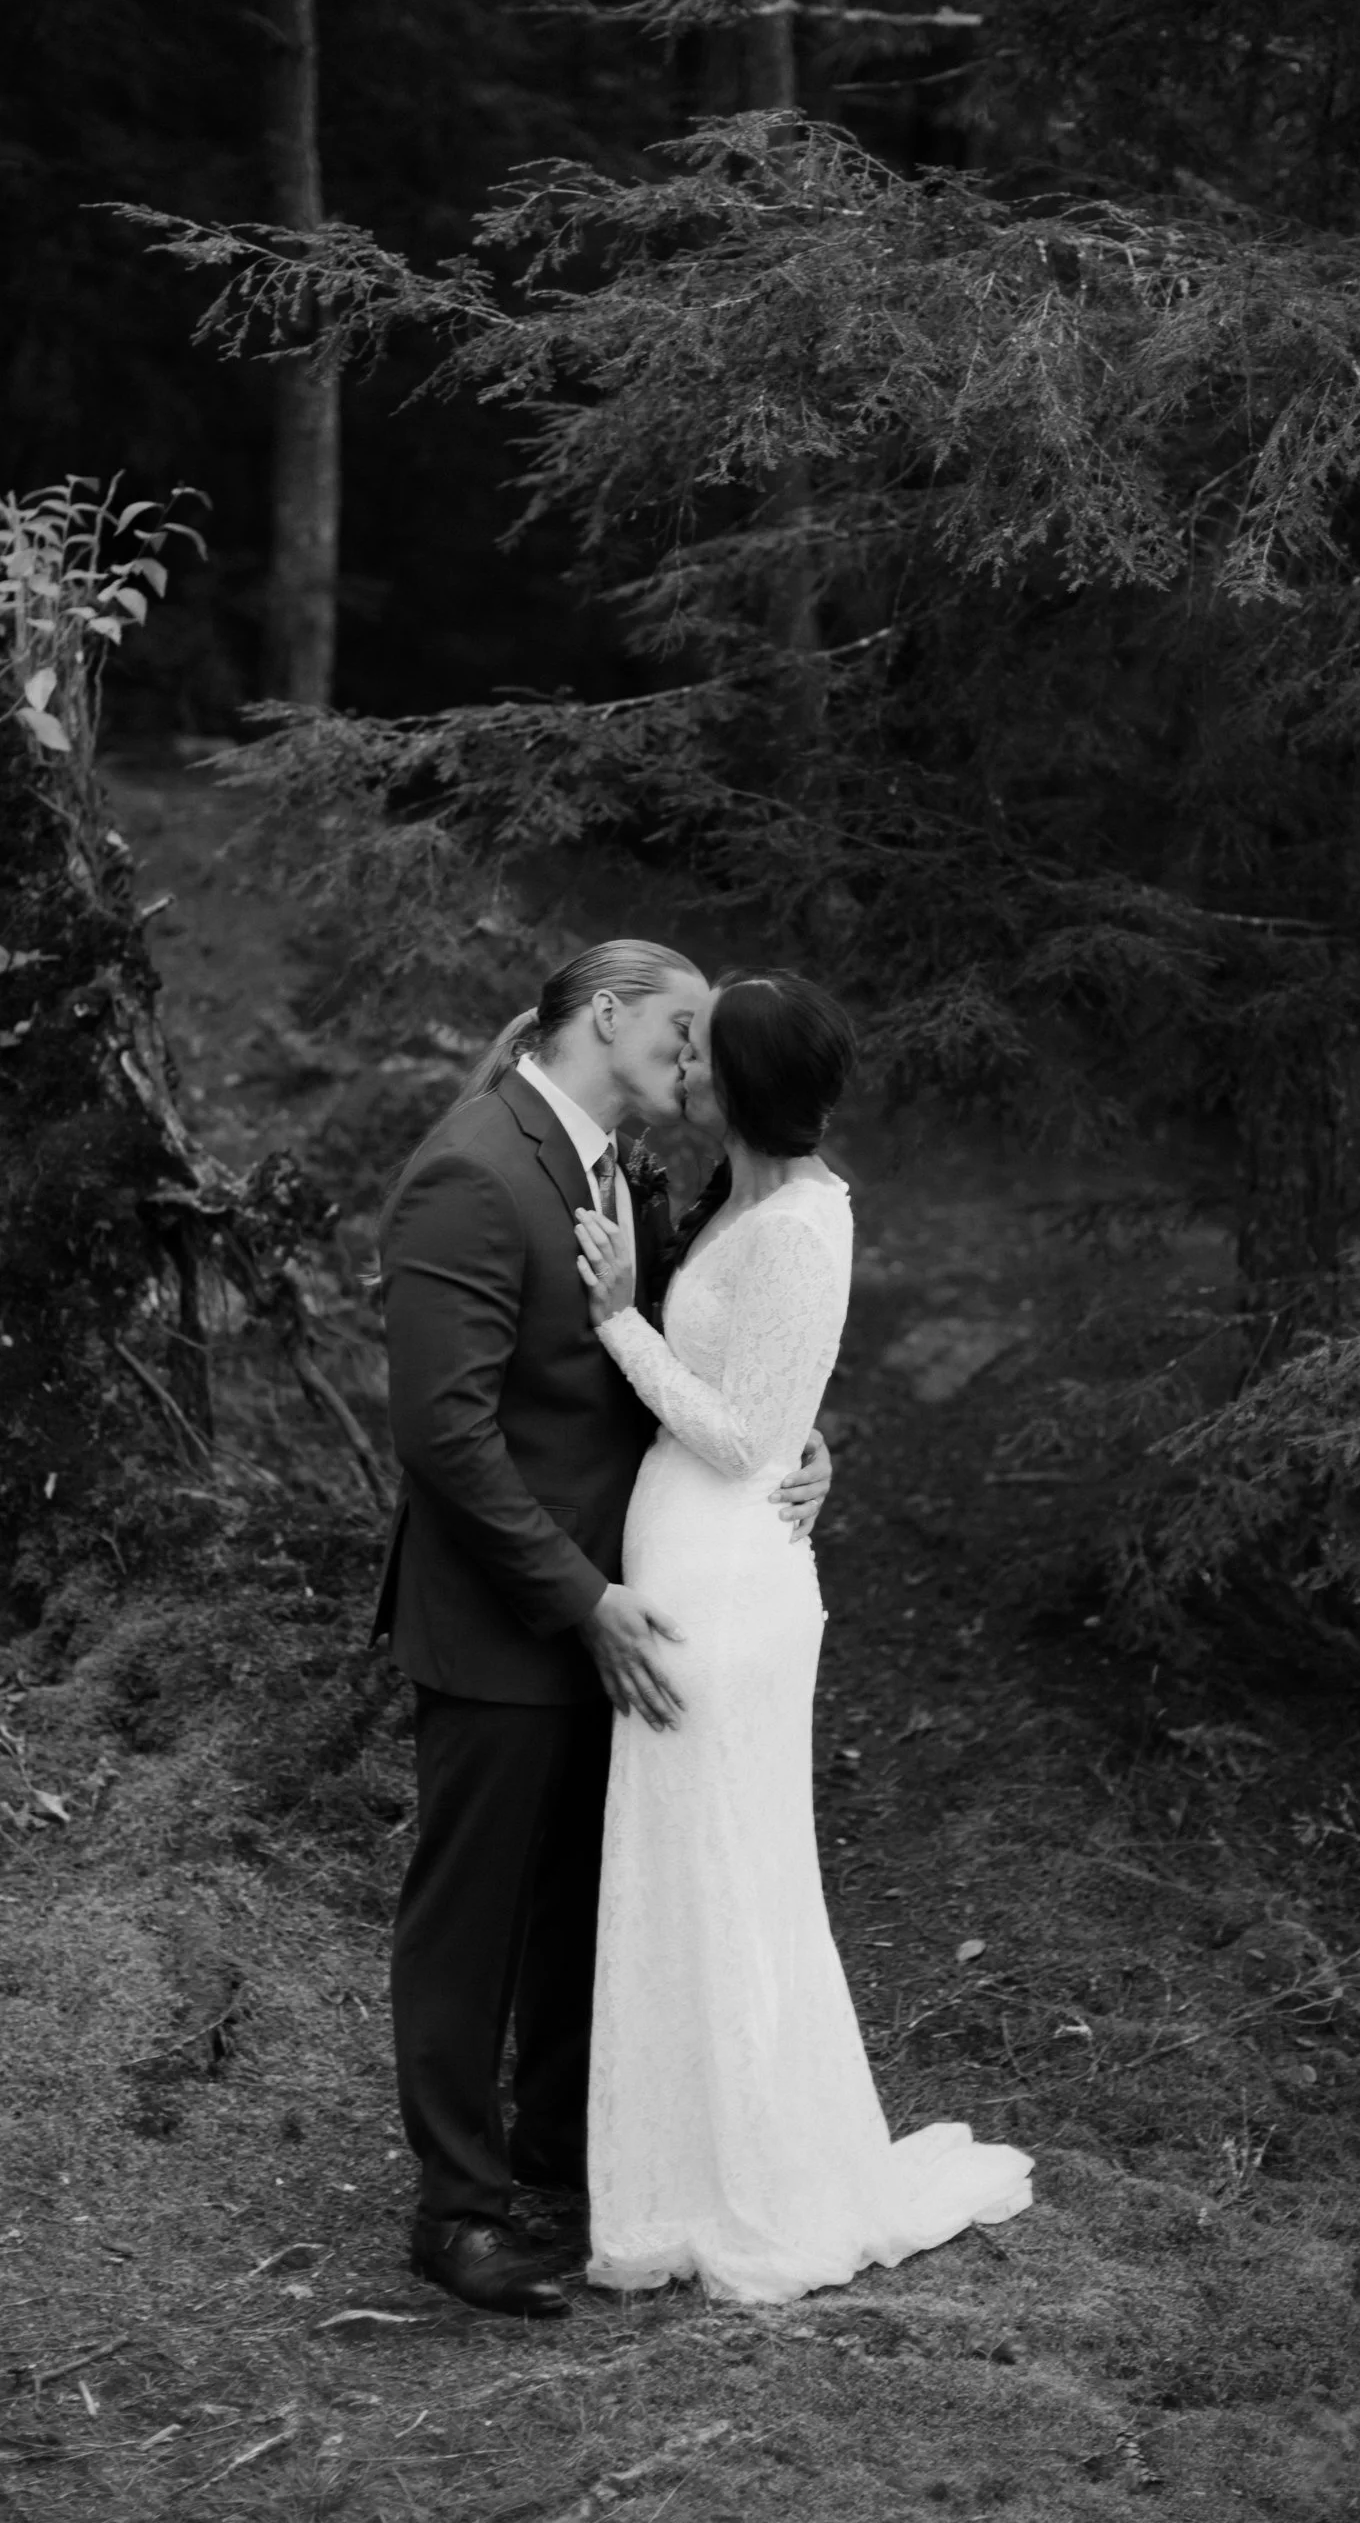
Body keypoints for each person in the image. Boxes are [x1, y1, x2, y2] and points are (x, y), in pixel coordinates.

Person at [375, 938, 832, 2318]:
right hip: (516, 1618)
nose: (696, 1061)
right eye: (682, 1029)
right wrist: (579, 1601)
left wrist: (804, 1446)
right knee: (471, 1924)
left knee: (585, 1908)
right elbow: (443, 1435)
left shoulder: (620, 1168)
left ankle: (559, 2168)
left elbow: (692, 1375)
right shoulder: (471, 1166)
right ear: (608, 1015)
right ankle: (455, 2217)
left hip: (629, 1609)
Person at [572, 969, 1033, 2302]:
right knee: (688, 1870)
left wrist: (616, 1322)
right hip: (698, 1555)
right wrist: (783, 1411)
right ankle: (685, 2162)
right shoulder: (747, 1196)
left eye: (707, 1053)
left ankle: (747, 2178)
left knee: (723, 1871)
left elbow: (733, 1433)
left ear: (750, 1084)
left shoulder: (803, 1220)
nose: (690, 1067)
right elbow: (763, 1388)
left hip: (722, 1586)